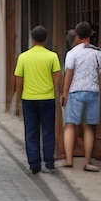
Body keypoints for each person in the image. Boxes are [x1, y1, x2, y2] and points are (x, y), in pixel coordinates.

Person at [14, 25, 61, 174]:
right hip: (47, 99)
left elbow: (19, 80)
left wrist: (18, 100)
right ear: (45, 38)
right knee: (48, 130)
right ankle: (49, 162)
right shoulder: (52, 56)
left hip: (28, 99)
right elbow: (57, 81)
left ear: (32, 39)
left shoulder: (23, 57)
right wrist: (57, 96)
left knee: (31, 131)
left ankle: (34, 163)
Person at [61, 21, 101, 172]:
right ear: (90, 35)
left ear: (77, 36)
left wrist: (64, 94)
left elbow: (69, 74)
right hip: (93, 92)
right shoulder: (98, 53)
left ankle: (69, 159)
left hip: (75, 92)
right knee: (88, 127)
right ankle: (87, 161)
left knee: (70, 125)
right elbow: (100, 76)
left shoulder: (72, 53)